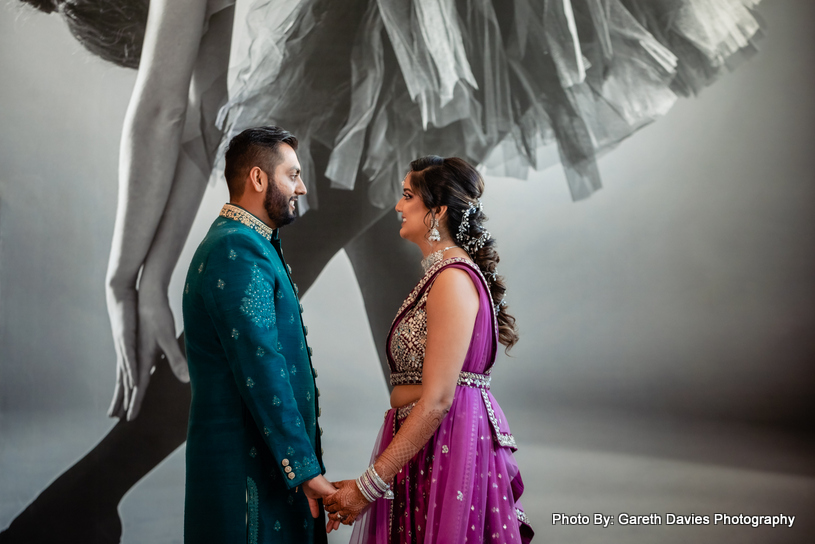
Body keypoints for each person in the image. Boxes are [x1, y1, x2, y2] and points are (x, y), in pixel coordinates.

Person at [3, 0, 763, 541]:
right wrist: (149, 278)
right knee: (394, 279)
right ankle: (472, 511)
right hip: (394, 30)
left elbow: (164, 112)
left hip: (396, 25)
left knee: (248, 296)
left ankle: (77, 508)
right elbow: (202, 128)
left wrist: (123, 279)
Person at [324, 156, 534, 543]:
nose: (398, 207)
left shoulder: (453, 279)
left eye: (407, 196)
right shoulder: (441, 275)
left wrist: (367, 487)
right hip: (427, 449)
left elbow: (437, 399)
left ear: (436, 211)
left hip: (446, 449)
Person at [182, 125, 337, 542]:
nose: (302, 187)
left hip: (263, 463)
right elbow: (262, 363)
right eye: (293, 175)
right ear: (257, 178)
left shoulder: (249, 243)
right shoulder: (238, 250)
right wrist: (304, 469)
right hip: (247, 471)